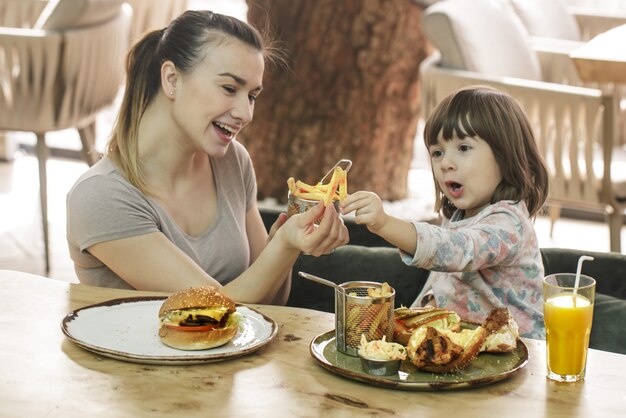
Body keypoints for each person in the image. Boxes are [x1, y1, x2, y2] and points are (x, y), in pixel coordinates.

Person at [66, 10, 348, 304]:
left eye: (252, 96)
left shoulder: (232, 162)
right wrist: (284, 245)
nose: (246, 113)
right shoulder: (100, 197)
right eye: (229, 88)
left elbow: (270, 308)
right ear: (172, 79)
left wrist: (283, 242)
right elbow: (217, 309)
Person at [342, 86, 549, 339]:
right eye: (437, 152)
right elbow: (442, 283)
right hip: (461, 344)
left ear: (504, 156)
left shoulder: (509, 224)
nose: (446, 163)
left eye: (463, 148)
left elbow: (456, 250)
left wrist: (384, 223)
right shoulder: (457, 216)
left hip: (517, 354)